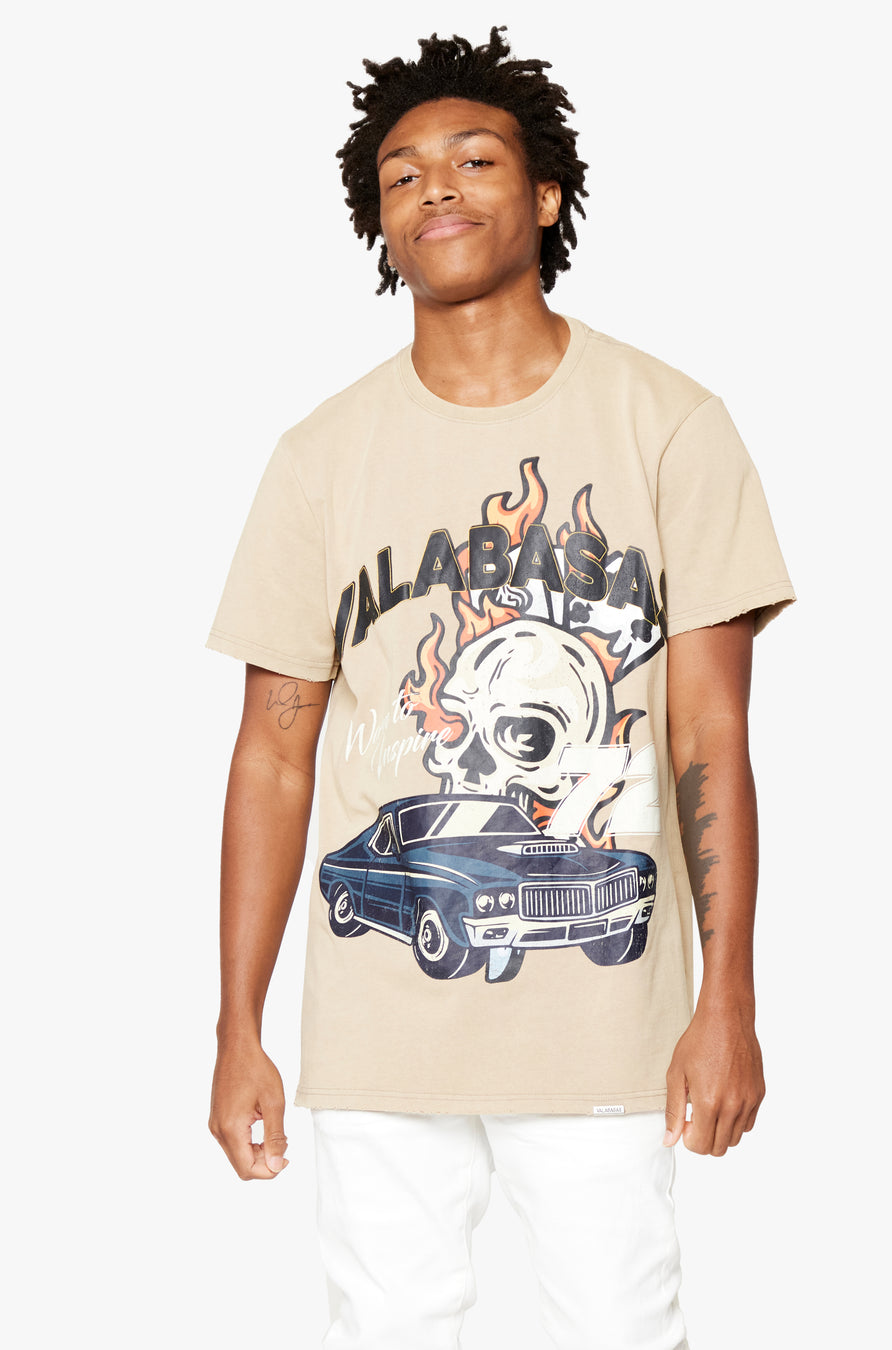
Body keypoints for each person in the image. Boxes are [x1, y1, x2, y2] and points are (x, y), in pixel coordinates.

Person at [207, 26, 795, 1350]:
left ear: (546, 194)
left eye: (475, 158)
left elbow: (709, 729)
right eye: (403, 173)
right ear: (380, 222)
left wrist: (730, 1000)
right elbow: (273, 754)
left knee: (620, 1329)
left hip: (606, 1038)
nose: (438, 186)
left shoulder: (668, 423)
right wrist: (239, 1026)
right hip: (376, 1044)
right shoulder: (320, 457)